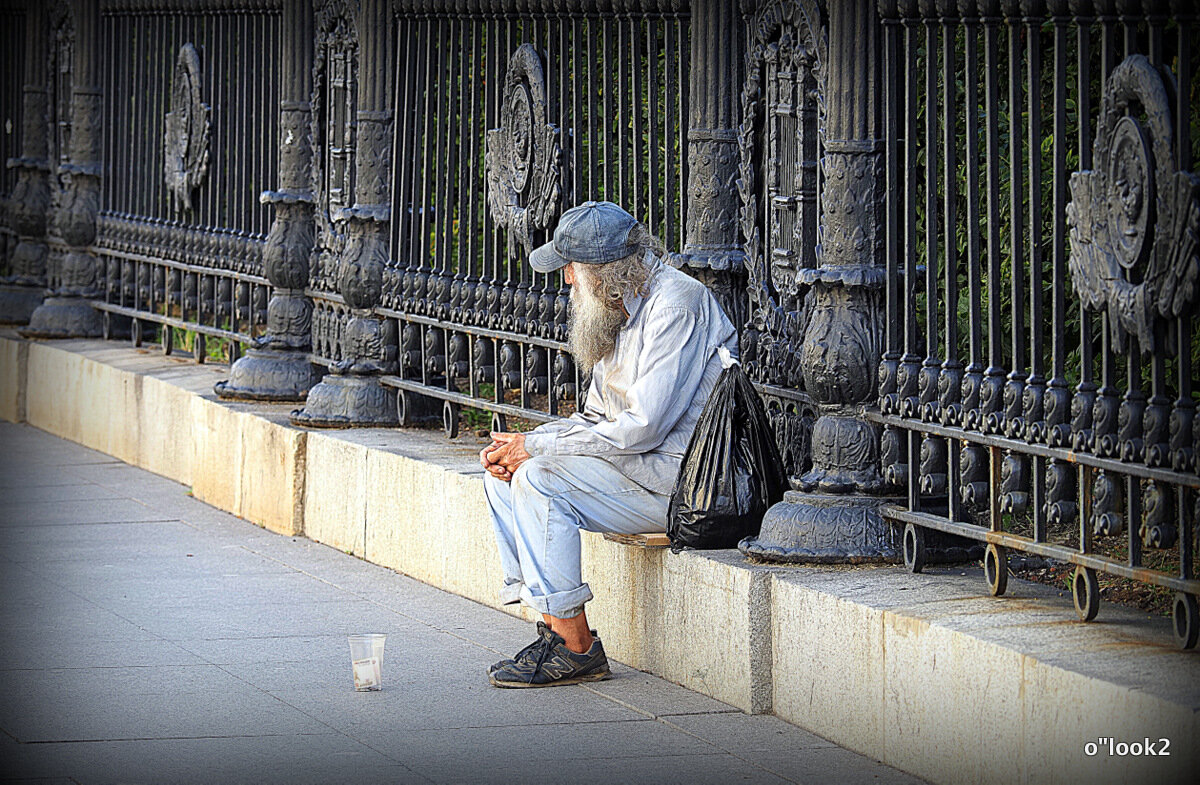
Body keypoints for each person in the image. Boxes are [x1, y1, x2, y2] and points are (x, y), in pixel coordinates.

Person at [480, 200, 738, 688]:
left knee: (539, 479)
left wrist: (537, 452)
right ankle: (553, 628)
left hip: (683, 483)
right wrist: (530, 441)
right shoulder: (616, 304)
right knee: (505, 472)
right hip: (635, 468)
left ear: (603, 272)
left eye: (572, 270)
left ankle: (575, 649)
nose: (567, 282)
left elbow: (643, 427)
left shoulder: (677, 304)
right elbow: (597, 417)